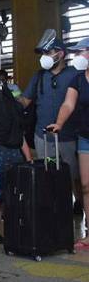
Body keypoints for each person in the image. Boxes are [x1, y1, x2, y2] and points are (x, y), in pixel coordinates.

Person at [19, 29, 82, 213]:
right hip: (42, 136)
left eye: (48, 52)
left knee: (74, 175)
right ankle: (55, 209)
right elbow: (25, 101)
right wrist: (8, 98)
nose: (44, 57)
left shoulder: (74, 75)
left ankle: (78, 202)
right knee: (48, 174)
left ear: (60, 53)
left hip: (69, 136)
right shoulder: (39, 76)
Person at [47, 37, 89, 250]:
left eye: (82, 52)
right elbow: (68, 104)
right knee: (85, 186)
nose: (78, 56)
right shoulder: (78, 80)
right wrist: (59, 123)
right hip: (85, 138)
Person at [0, 140, 32, 244]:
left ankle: (14, 230)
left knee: (14, 197)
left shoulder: (16, 124)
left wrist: (29, 159)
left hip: (16, 166)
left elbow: (22, 140)